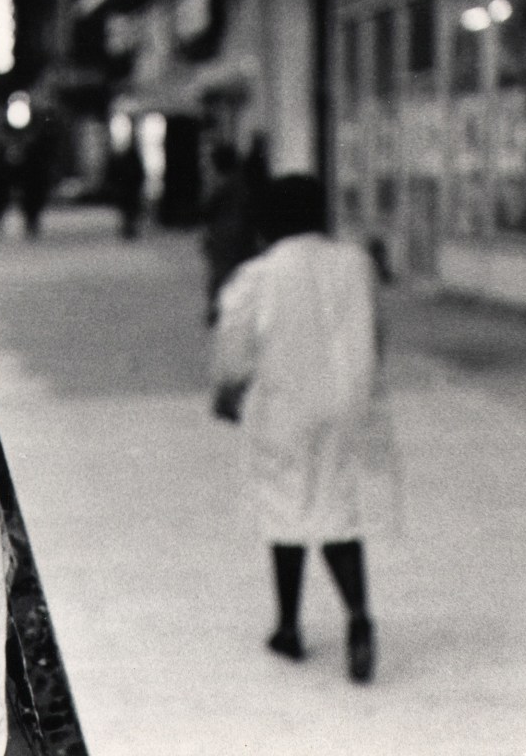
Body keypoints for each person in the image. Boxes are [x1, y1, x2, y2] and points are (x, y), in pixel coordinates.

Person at [211, 174, 392, 684]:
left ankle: (288, 627)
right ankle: (359, 619)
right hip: (347, 405)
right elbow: (377, 333)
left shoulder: (258, 276)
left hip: (283, 406)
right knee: (338, 507)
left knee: (284, 508)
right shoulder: (357, 263)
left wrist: (227, 392)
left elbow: (232, 349)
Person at [200, 141, 255, 326]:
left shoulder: (225, 183)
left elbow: (208, 209)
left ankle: (220, 310)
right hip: (238, 235)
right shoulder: (242, 181)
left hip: (225, 236)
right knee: (231, 274)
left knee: (222, 275)